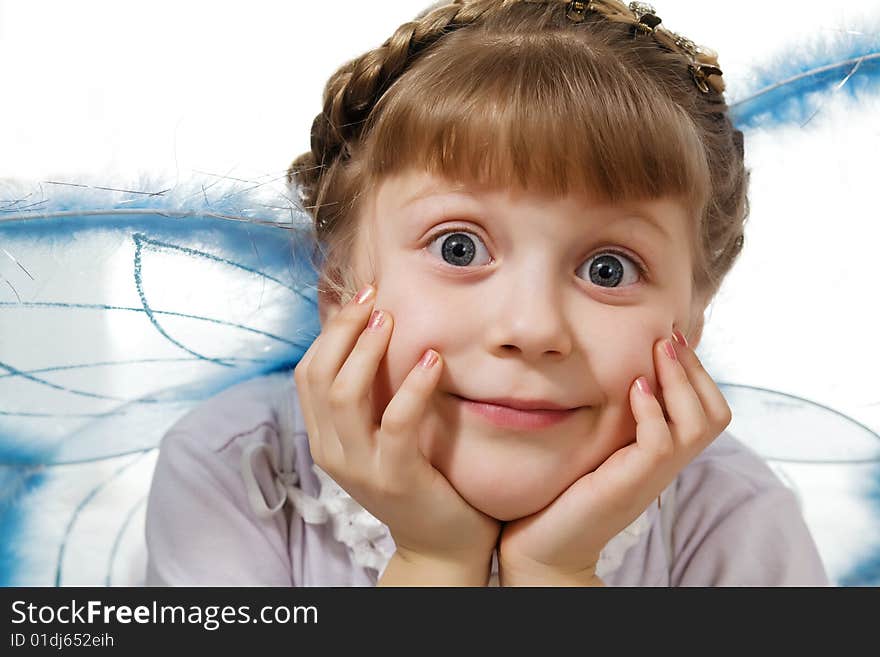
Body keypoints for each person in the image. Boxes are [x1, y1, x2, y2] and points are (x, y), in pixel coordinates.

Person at [144, 0, 829, 586]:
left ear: (691, 325)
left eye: (609, 269)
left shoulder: (738, 521)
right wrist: (434, 562)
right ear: (338, 292)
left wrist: (555, 576)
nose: (531, 327)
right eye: (458, 248)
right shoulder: (234, 471)